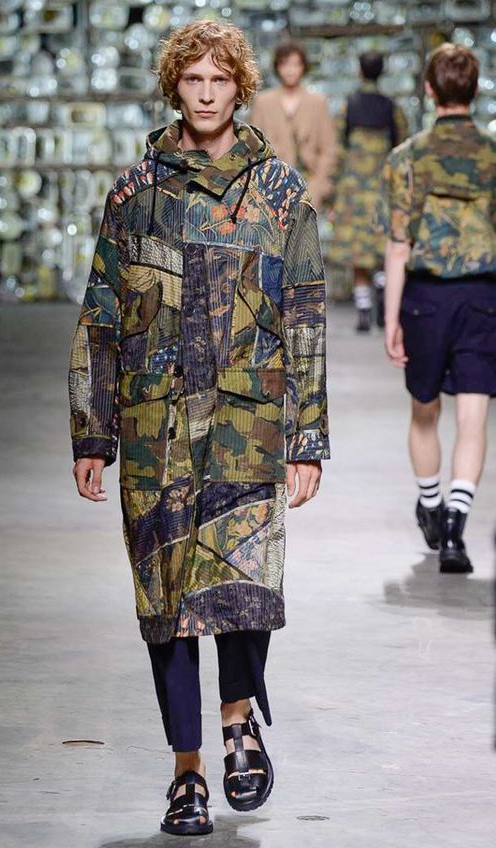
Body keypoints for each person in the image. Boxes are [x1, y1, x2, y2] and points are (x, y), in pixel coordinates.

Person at [68, 20, 329, 836]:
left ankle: (237, 721)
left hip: (249, 418)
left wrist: (308, 437)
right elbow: (100, 316)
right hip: (155, 423)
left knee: (246, 585)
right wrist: (91, 432)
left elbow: (305, 315)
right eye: (193, 80)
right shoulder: (134, 194)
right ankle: (187, 772)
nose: (207, 94)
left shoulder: (279, 192)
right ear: (173, 87)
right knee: (165, 599)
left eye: (220, 80)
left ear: (240, 88)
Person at [379, 43, 495, 574]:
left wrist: (391, 318)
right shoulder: (492, 157)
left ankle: (430, 503)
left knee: (423, 409)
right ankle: (454, 528)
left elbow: (398, 244)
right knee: (474, 415)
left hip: (425, 298)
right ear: (475, 89)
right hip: (483, 296)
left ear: (429, 89)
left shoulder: (407, 158)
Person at [330, 51, 407, 332]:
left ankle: (363, 310)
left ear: (359, 71)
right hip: (381, 190)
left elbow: (337, 150)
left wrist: (331, 193)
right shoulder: (391, 107)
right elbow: (401, 148)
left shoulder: (348, 105)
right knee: (382, 249)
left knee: (356, 253)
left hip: (352, 191)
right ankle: (383, 292)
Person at [250, 40, 336, 211]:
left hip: (310, 183)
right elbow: (253, 147)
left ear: (303, 67)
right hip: (272, 185)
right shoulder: (263, 103)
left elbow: (329, 147)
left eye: (296, 64)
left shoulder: (317, 102)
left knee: (306, 227)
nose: (290, 70)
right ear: (277, 67)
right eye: (285, 64)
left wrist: (321, 181)